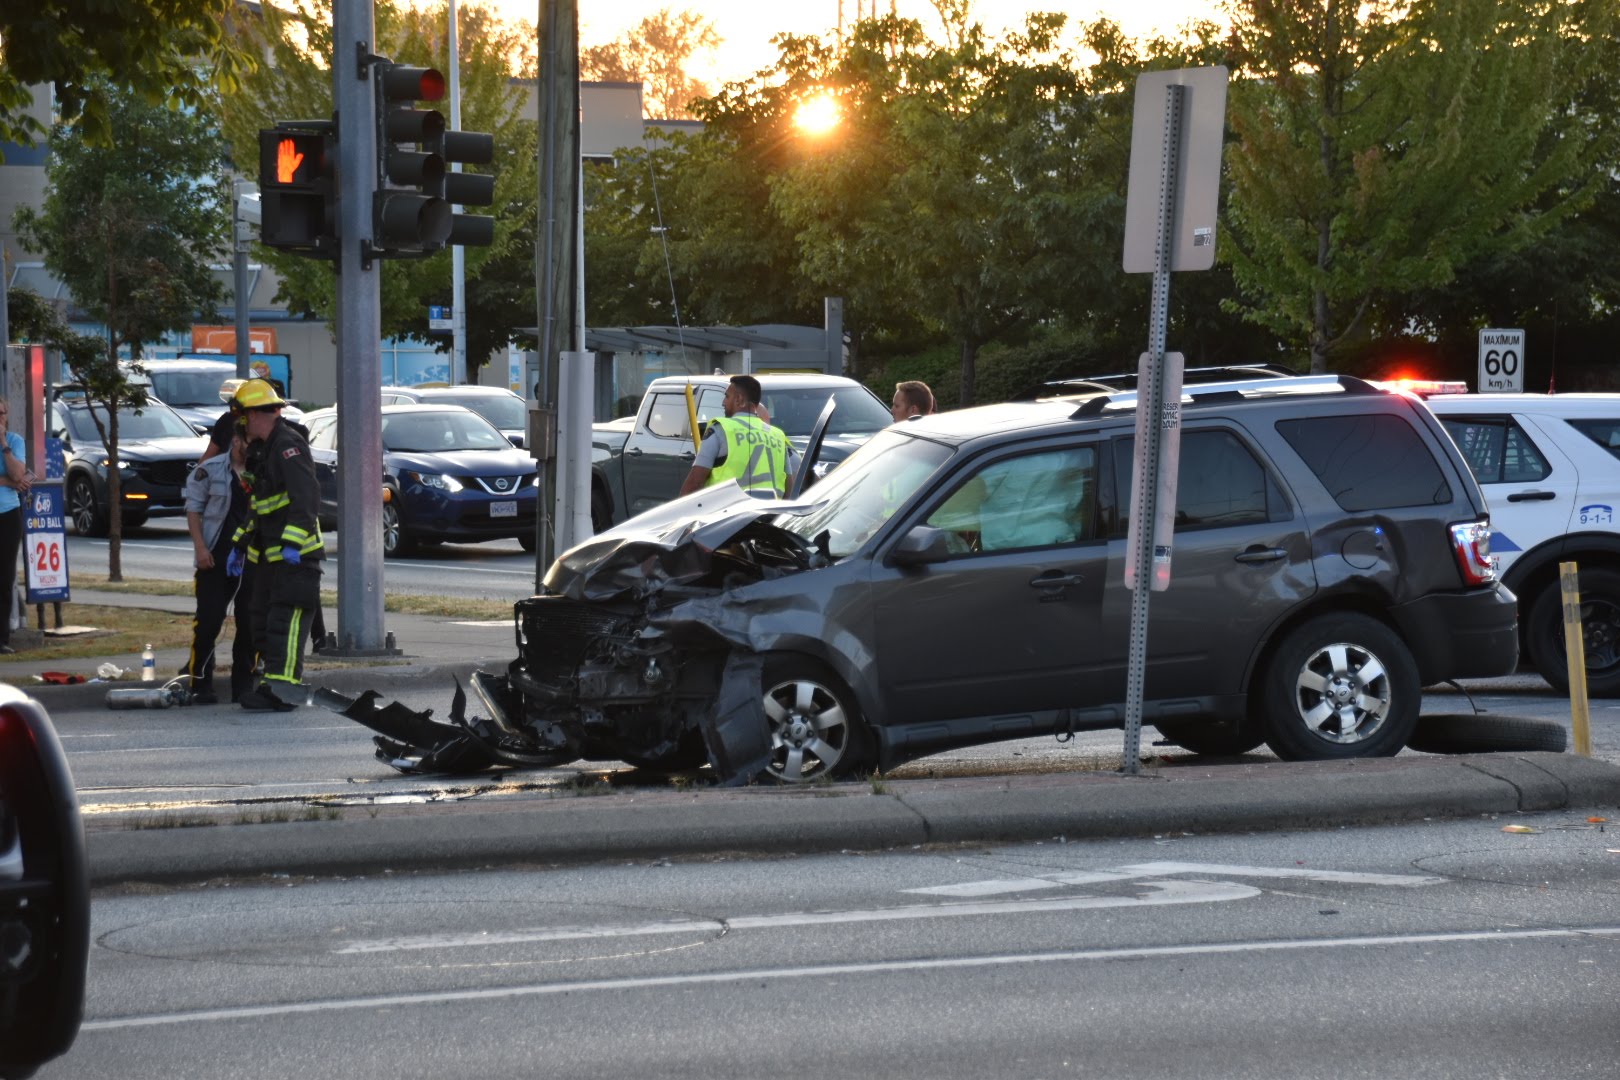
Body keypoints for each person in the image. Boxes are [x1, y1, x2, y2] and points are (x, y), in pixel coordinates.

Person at [231, 379, 323, 712]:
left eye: (243, 416)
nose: (240, 423)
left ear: (257, 414)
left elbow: (306, 498)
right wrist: (239, 543)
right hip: (270, 556)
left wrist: (293, 545)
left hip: (296, 557)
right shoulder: (262, 449)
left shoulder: (288, 446)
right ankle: (272, 684)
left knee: (288, 621)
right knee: (263, 622)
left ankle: (285, 692)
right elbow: (260, 503)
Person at [178, 430, 254, 704]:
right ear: (235, 441)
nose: (253, 448)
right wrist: (200, 549)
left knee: (249, 624)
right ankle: (200, 684)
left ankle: (244, 687)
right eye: (248, 442)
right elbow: (194, 510)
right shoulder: (209, 471)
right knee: (208, 623)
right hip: (214, 558)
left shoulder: (262, 471)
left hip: (250, 560)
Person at [677, 375, 797, 498]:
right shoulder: (778, 436)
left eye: (727, 397)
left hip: (728, 513)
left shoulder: (721, 429)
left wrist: (678, 513)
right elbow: (789, 487)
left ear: (739, 399)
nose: (723, 402)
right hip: (770, 514)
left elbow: (695, 483)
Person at [0, 400, 33, 655]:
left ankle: (1, 638)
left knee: (5, 577)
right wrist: (9, 482)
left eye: (1, 413)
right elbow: (14, 481)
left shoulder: (14, 441)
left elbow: (19, 475)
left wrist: (4, 445)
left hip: (7, 514)